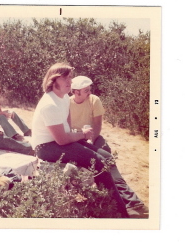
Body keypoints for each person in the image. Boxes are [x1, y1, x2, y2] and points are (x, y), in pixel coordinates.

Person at [31, 62, 130, 218]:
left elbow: (67, 126)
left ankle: (115, 199)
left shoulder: (63, 98)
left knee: (106, 157)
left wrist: (76, 137)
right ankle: (119, 211)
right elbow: (62, 140)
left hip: (58, 141)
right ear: (53, 80)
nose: (70, 81)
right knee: (98, 161)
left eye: (70, 77)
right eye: (66, 78)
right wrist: (82, 135)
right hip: (45, 147)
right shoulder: (49, 104)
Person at [70, 75, 146, 215]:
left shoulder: (94, 100)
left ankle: (134, 204)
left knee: (109, 163)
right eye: (86, 90)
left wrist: (91, 141)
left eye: (89, 89)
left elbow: (98, 125)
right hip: (76, 139)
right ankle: (114, 204)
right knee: (99, 170)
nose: (89, 92)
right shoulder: (67, 103)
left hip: (94, 137)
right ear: (75, 91)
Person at [0, 77, 32, 141]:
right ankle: (13, 135)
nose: (0, 88)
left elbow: (0, 111)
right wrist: (2, 113)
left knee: (11, 112)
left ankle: (26, 131)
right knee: (1, 116)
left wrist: (7, 113)